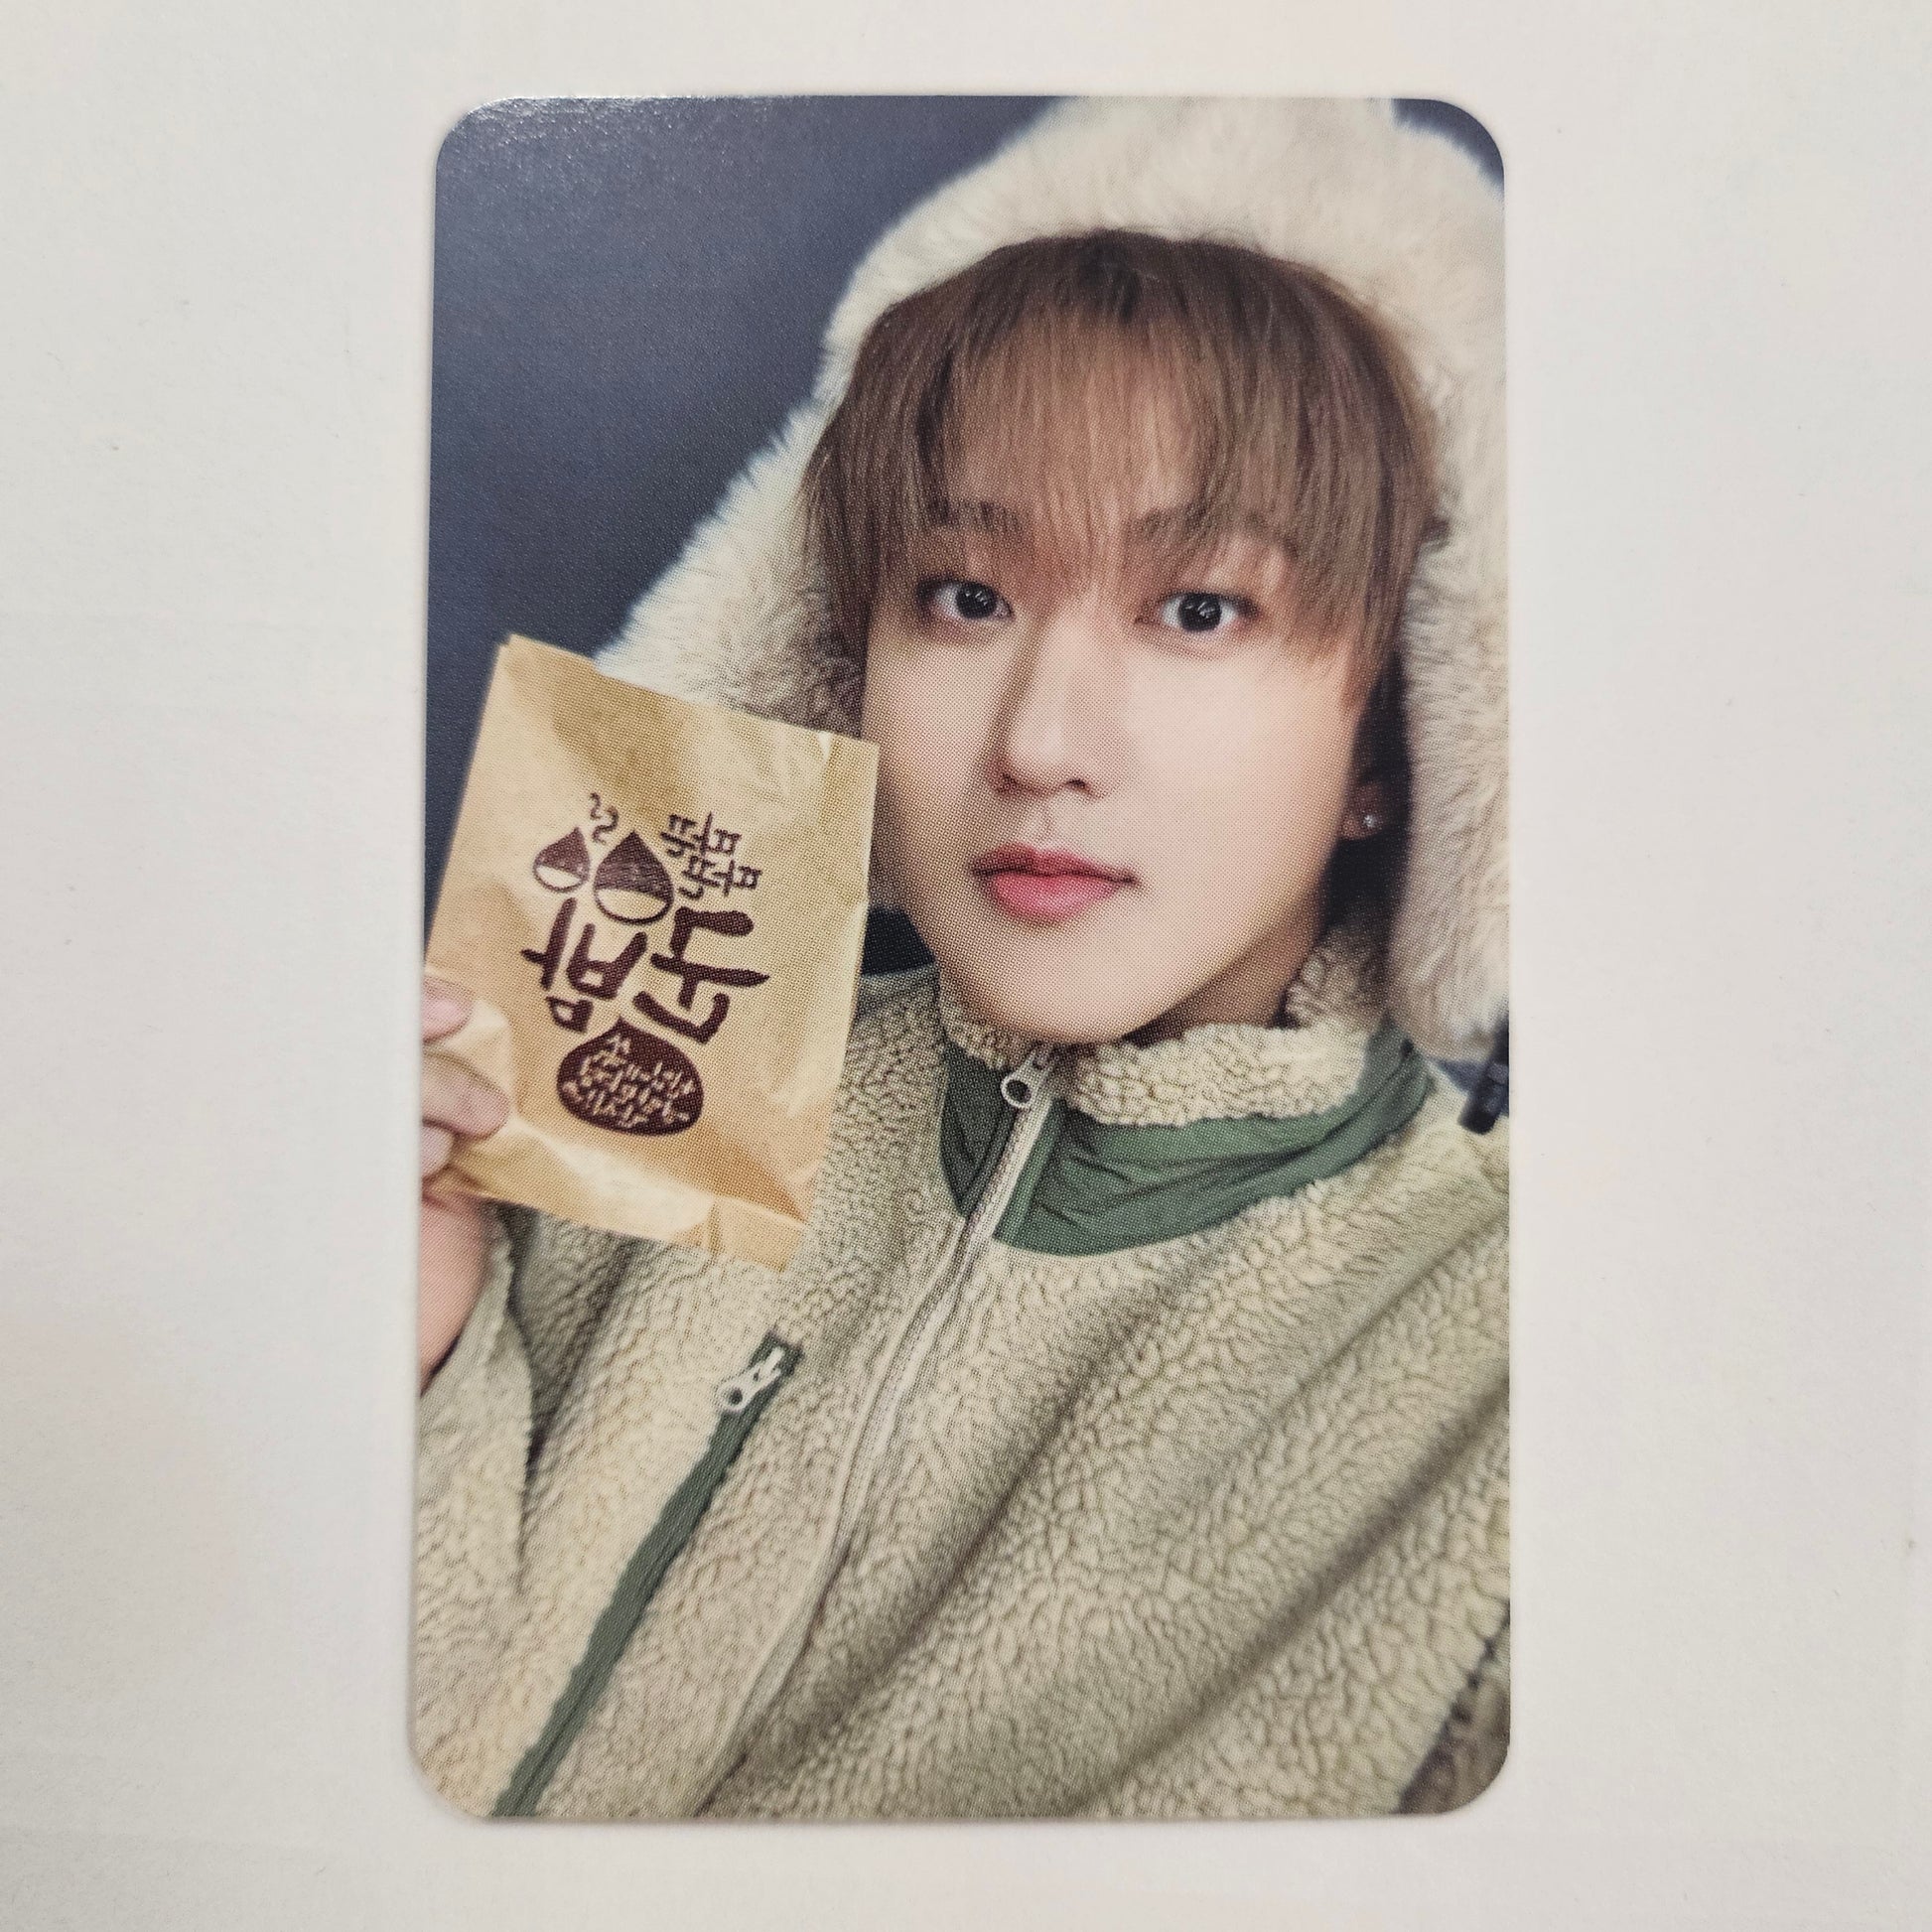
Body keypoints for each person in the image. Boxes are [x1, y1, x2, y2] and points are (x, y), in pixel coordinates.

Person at [413, 97, 1508, 1822]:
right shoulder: (641, 1087)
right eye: (965, 596)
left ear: (1390, 733)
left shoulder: (1518, 1358)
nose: (1041, 742)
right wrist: (403, 1355)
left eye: (1197, 607)